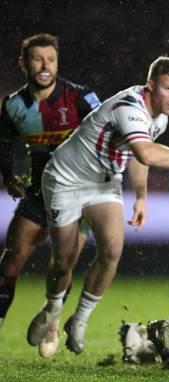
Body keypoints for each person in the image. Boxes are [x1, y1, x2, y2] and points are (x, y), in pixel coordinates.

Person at [26, 56, 169, 356]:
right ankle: (52, 311)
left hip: (103, 184)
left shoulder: (159, 119)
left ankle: (78, 321)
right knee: (64, 259)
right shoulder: (129, 107)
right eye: (168, 88)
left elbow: (137, 156)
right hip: (65, 179)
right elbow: (147, 153)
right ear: (151, 85)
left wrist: (141, 196)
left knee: (113, 249)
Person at [0, 33, 100, 357]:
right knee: (10, 260)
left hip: (80, 194)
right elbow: (3, 144)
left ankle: (52, 317)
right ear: (23, 63)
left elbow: (109, 132)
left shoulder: (82, 97)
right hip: (39, 193)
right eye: (37, 59)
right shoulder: (13, 105)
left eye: (51, 59)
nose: (45, 66)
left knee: (61, 265)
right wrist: (7, 176)